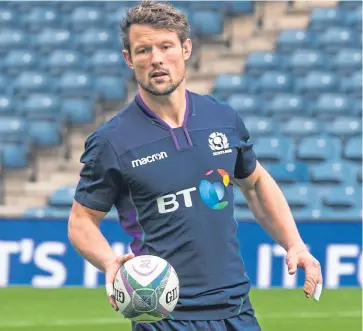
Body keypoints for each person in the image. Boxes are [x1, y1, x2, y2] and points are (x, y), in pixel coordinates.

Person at [68, 1, 323, 330]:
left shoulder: (222, 118)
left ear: (185, 49)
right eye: (143, 50)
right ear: (129, 59)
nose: (156, 58)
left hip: (236, 307)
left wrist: (295, 244)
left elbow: (256, 184)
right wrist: (108, 262)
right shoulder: (111, 141)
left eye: (166, 46)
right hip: (163, 313)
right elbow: (81, 221)